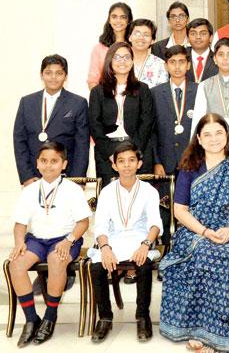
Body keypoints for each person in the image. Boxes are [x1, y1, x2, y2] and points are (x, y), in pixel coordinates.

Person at [160, 113, 229, 352]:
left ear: (227, 135)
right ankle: (197, 328)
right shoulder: (189, 167)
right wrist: (205, 231)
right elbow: (180, 210)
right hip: (195, 229)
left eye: (219, 133)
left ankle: (227, 330)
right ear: (198, 138)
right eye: (207, 134)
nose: (213, 139)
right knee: (201, 255)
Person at [8, 142, 90, 347]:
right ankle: (31, 318)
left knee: (56, 259)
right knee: (15, 264)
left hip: (64, 238)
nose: (48, 165)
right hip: (36, 239)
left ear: (64, 164)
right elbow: (20, 224)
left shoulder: (73, 189)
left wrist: (69, 240)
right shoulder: (30, 190)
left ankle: (50, 317)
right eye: (44, 161)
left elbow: (83, 223)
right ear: (37, 163)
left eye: (54, 161)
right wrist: (19, 242)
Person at [88, 142, 162, 343]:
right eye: (121, 161)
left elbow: (155, 224)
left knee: (144, 266)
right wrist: (104, 248)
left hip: (141, 240)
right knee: (96, 267)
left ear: (139, 163)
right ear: (114, 165)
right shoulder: (107, 192)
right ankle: (105, 317)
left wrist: (146, 244)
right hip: (114, 240)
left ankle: (142, 316)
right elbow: (101, 226)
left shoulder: (149, 191)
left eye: (131, 160)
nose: (127, 165)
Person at [14, 54, 89, 186]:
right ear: (41, 75)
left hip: (67, 175)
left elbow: (82, 145)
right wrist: (26, 176)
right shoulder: (27, 102)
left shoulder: (78, 103)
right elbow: (19, 141)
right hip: (34, 174)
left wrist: (77, 179)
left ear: (66, 76)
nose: (53, 77)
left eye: (59, 73)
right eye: (48, 73)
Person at [88, 42, 155, 187]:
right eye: (117, 57)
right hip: (107, 154)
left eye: (126, 57)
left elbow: (146, 123)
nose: (122, 61)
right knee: (111, 202)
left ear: (132, 61)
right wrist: (111, 154)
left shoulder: (143, 89)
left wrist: (133, 154)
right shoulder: (97, 92)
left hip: (137, 151)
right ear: (109, 61)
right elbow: (95, 125)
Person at [151, 45, 197, 246]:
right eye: (172, 62)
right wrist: (156, 161)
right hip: (165, 163)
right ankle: (167, 251)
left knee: (191, 207)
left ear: (188, 65)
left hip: (192, 161)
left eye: (181, 62)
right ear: (166, 65)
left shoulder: (199, 90)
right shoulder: (154, 93)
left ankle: (189, 251)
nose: (177, 67)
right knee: (165, 210)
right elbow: (150, 131)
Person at [87, 2, 133, 89]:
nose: (118, 20)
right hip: (106, 97)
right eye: (114, 17)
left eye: (123, 17)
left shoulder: (134, 47)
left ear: (129, 20)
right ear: (109, 20)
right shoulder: (99, 49)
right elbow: (92, 80)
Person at [129, 19, 169, 88]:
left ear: (152, 41)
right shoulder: (120, 61)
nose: (141, 38)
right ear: (129, 37)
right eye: (137, 33)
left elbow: (161, 94)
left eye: (146, 35)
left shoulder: (160, 65)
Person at [186, 18, 218, 83]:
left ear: (211, 38)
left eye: (203, 33)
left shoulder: (219, 59)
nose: (198, 37)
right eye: (193, 34)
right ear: (188, 38)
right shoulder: (181, 57)